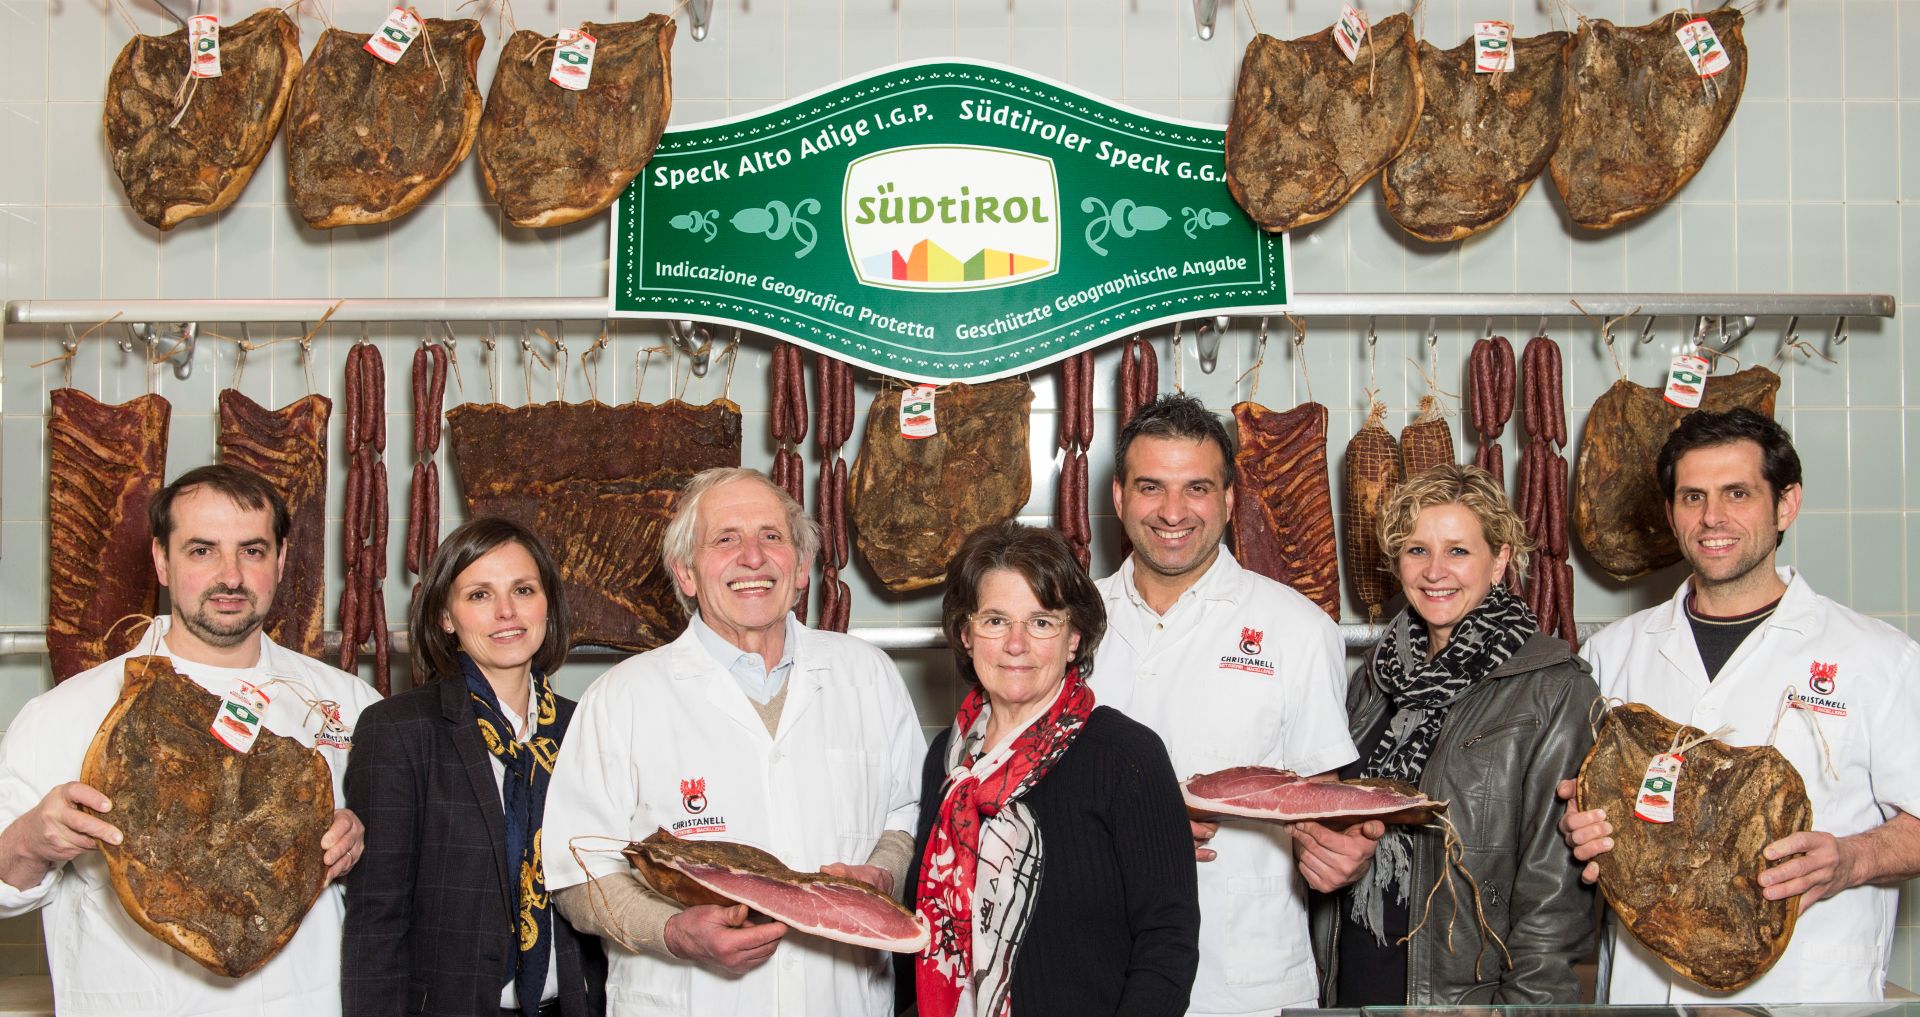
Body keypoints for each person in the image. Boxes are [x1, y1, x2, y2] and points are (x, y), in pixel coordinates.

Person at [1558, 408, 1920, 1003]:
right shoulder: (1612, 654)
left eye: (1738, 493)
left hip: (1803, 990)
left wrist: (1851, 859)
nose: (1712, 518)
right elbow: (1573, 809)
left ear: (1787, 504)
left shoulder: (1877, 658)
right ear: (1671, 513)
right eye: (1692, 496)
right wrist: (1579, 826)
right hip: (1644, 993)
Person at [542, 467, 925, 1016]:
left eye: (772, 536)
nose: (753, 557)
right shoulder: (621, 698)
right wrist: (673, 931)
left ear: (801, 567)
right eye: (726, 540)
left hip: (841, 999)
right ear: (686, 572)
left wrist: (883, 872)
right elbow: (578, 875)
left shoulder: (867, 674)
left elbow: (904, 814)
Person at [0, 464, 379, 1016]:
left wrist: (363, 846)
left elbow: (402, 890)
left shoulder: (351, 706)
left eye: (251, 550)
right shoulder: (63, 715)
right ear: (161, 559)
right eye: (202, 551)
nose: (230, 575)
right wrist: (32, 840)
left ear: (280, 558)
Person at [1090, 394, 1356, 1017]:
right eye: (1151, 486)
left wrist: (1343, 852)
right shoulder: (1072, 626)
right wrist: (1138, 833)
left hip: (1244, 983)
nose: (1174, 512)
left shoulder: (1297, 628)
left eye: (1198, 488)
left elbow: (1324, 809)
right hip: (1094, 973)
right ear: (1119, 496)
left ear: (1231, 500)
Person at [1300, 463, 1597, 1004]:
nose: (1435, 571)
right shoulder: (1375, 676)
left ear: (1500, 558)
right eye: (1417, 550)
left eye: (1458, 551)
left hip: (1466, 999)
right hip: (1356, 980)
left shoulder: (1553, 687)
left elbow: (1553, 897)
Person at [906, 521, 1199, 1017]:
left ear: (1073, 639)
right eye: (995, 621)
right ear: (965, 632)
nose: (1016, 644)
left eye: (1042, 622)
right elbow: (919, 928)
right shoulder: (947, 756)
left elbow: (1167, 940)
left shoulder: (1125, 755)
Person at [343, 518, 607, 1016]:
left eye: (523, 590)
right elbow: (377, 917)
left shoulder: (586, 727)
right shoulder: (398, 729)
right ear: (446, 617)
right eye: (480, 595)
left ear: (547, 604)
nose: (507, 612)